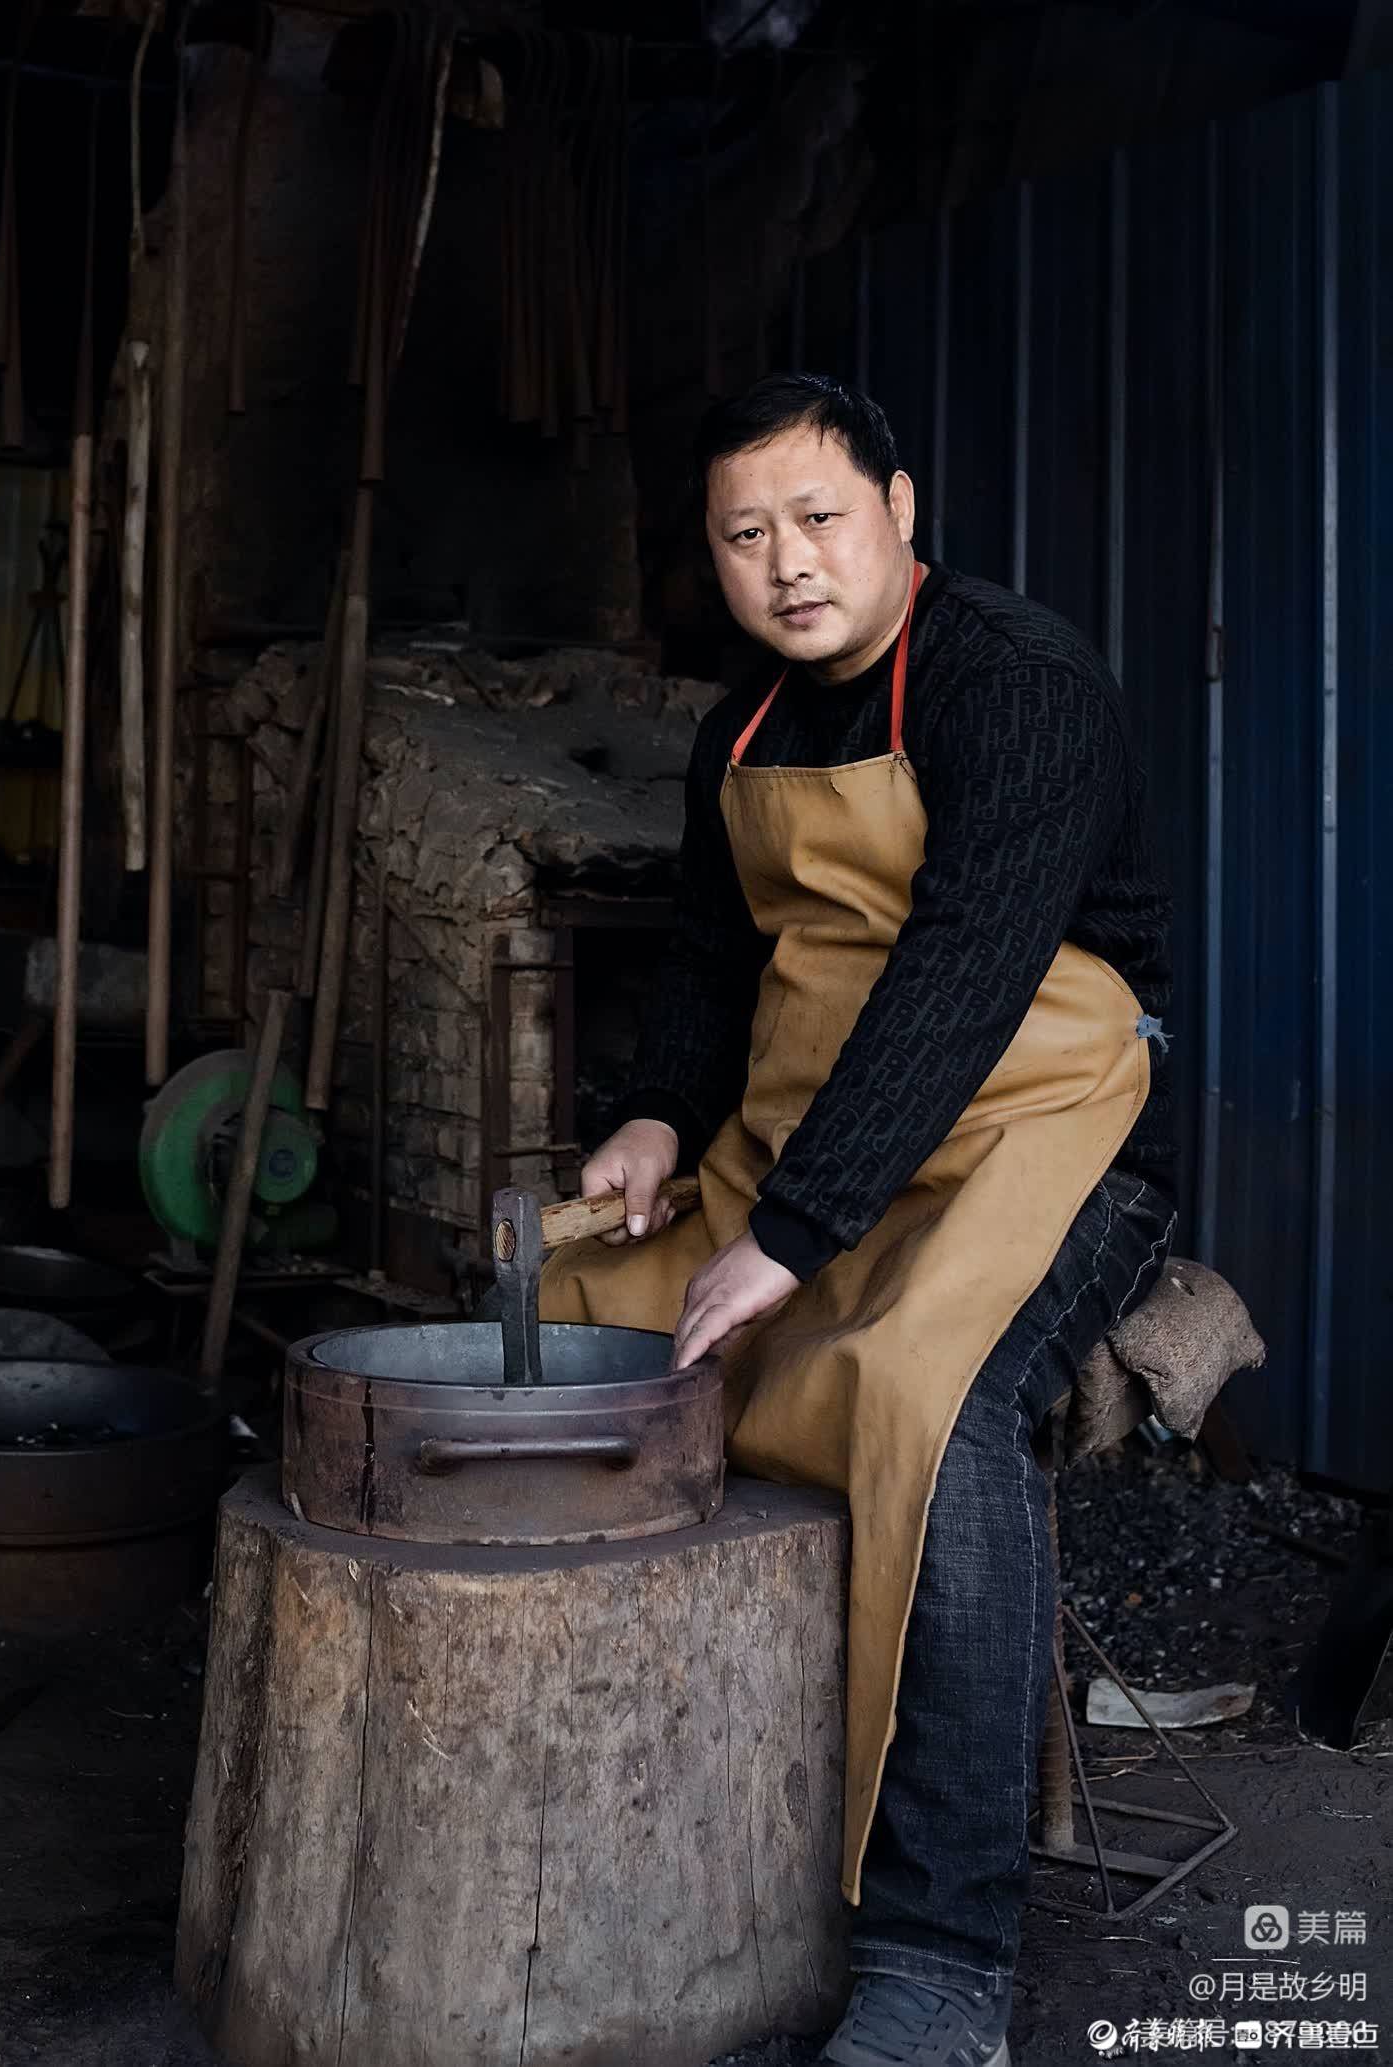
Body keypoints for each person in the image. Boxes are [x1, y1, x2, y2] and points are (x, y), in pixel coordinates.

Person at [538, 373, 1177, 2067]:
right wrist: (658, 1115)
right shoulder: (740, 731)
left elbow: (964, 976)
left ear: (899, 510)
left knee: (925, 1405)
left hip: (1037, 1135)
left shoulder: (1016, 685)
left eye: (818, 518)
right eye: (744, 536)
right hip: (805, 1141)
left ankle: (942, 1966)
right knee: (578, 1308)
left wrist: (792, 1235)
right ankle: (605, 1829)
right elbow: (714, 955)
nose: (787, 564)